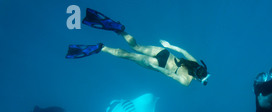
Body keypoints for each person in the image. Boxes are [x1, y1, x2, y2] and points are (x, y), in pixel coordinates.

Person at [66, 8, 210, 86]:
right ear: (198, 78)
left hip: (165, 53)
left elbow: (183, 51)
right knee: (131, 56)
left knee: (137, 46)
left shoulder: (195, 62)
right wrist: (155, 68)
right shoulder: (187, 81)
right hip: (159, 64)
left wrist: (169, 45)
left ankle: (119, 29)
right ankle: (102, 48)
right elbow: (170, 74)